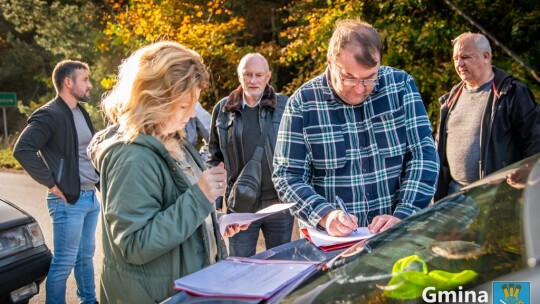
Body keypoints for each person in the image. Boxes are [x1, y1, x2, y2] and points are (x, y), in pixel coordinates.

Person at [86, 41, 248, 303]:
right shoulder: (131, 158)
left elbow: (172, 209)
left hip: (186, 291)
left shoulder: (174, 139)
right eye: (184, 105)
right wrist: (200, 197)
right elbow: (134, 244)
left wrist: (213, 222)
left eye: (194, 103)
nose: (192, 113)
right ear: (153, 99)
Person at [272, 19, 439, 237]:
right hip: (333, 245)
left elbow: (423, 155)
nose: (360, 89)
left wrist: (404, 213)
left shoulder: (400, 87)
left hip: (396, 234)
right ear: (331, 62)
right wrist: (325, 215)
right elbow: (287, 175)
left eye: (370, 78)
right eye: (349, 78)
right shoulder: (303, 103)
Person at [13, 60, 100, 304]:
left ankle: (89, 301)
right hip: (68, 201)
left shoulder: (80, 111)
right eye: (85, 79)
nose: (89, 85)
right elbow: (23, 149)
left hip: (90, 198)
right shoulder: (49, 114)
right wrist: (52, 183)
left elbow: (86, 153)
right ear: (68, 82)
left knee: (85, 256)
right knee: (64, 262)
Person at [434, 32, 540, 200]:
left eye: (465, 57)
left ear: (486, 56)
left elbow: (536, 139)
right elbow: (438, 150)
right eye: (455, 59)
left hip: (496, 199)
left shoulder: (511, 93)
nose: (459, 64)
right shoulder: (451, 98)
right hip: (454, 199)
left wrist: (530, 169)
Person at [207, 53, 294, 257]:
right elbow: (214, 156)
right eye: (248, 74)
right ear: (240, 77)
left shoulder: (284, 106)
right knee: (240, 267)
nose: (253, 80)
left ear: (268, 76)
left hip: (278, 204)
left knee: (279, 266)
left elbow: (298, 150)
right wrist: (216, 206)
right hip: (241, 205)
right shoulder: (223, 108)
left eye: (258, 75)